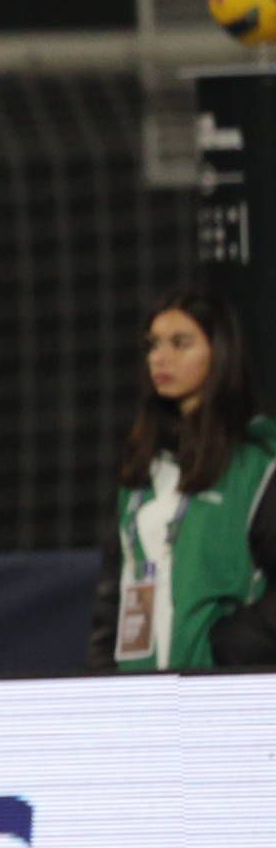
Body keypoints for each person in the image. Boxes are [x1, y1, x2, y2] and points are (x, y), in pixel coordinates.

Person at [92, 285, 276, 672]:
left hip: (224, 692)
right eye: (153, 344)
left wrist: (233, 647)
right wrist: (103, 677)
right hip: (141, 694)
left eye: (180, 343)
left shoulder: (257, 463)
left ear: (219, 351)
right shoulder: (140, 465)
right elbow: (113, 596)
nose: (160, 357)